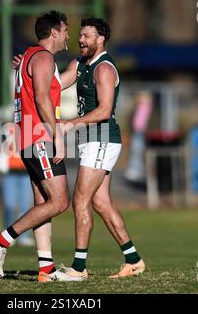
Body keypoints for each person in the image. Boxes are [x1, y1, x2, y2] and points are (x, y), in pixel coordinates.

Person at [48, 18, 146, 280]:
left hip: (102, 138)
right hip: (91, 139)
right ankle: (134, 260)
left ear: (100, 39)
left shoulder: (104, 68)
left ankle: (78, 269)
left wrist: (70, 124)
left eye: (87, 36)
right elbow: (59, 82)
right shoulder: (80, 64)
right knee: (101, 203)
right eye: (80, 35)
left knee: (80, 200)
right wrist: (30, 68)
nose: (81, 40)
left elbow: (104, 111)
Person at [0, 10, 71, 282]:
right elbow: (43, 99)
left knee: (43, 203)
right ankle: (1, 239)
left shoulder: (31, 57)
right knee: (59, 201)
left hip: (27, 137)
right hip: (39, 137)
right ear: (54, 32)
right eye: (66, 30)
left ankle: (45, 269)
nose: (69, 35)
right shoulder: (43, 57)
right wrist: (57, 134)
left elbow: (57, 83)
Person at [124, 91, 153, 183]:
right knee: (136, 150)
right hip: (137, 132)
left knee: (137, 150)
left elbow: (141, 121)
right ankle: (136, 168)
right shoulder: (140, 107)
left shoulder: (145, 107)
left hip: (139, 132)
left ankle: (136, 169)